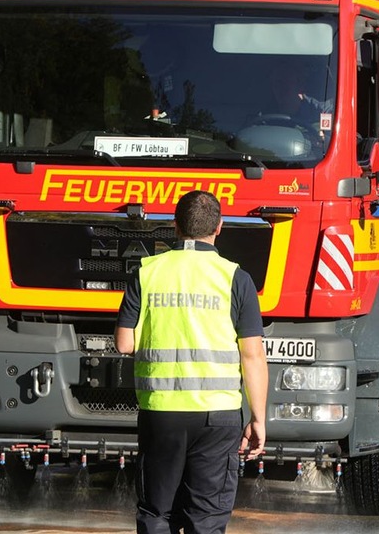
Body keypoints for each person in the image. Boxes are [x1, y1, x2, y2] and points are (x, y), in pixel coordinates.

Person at [114, 190, 268, 534]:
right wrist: (257, 418)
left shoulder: (147, 272)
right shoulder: (235, 278)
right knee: (207, 517)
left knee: (157, 512)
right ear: (219, 228)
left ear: (175, 226)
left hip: (161, 411)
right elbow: (253, 355)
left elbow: (125, 343)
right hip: (218, 416)